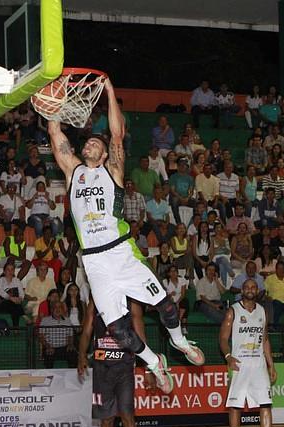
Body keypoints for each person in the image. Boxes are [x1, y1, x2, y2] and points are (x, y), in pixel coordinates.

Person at [49, 76, 204, 395]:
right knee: (119, 331)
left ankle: (179, 342)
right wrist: (51, 104)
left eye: (97, 143)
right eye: (88, 142)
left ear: (106, 155)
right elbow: (55, 133)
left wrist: (109, 91)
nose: (91, 143)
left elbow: (117, 133)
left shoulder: (112, 171)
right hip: (94, 262)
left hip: (121, 252)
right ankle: (154, 362)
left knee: (165, 305)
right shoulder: (73, 172)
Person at [77, 298, 145, 427]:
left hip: (124, 368)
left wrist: (147, 367)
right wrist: (82, 355)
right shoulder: (96, 300)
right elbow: (87, 330)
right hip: (101, 370)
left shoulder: (131, 303)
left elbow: (140, 335)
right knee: (106, 419)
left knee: (127, 415)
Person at [220, 278, 283, 427]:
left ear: (257, 290)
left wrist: (271, 364)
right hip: (239, 364)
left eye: (253, 287)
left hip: (258, 365)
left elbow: (265, 339)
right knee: (235, 405)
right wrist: (228, 356)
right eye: (247, 287)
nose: (250, 290)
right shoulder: (233, 311)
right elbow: (223, 338)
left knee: (266, 403)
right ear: (242, 290)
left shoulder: (262, 311)